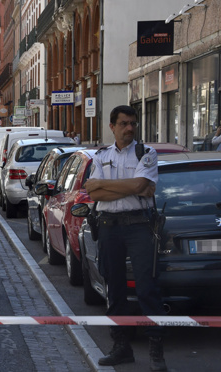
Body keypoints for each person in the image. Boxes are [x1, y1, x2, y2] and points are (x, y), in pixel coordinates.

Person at [84, 105, 167, 371]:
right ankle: (121, 347)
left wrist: (107, 185)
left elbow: (142, 186)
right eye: (124, 123)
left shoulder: (146, 153)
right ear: (112, 127)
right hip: (109, 226)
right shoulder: (101, 155)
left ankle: (157, 351)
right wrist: (132, 186)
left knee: (147, 288)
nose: (130, 128)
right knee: (114, 289)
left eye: (133, 123)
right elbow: (93, 192)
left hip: (140, 226)